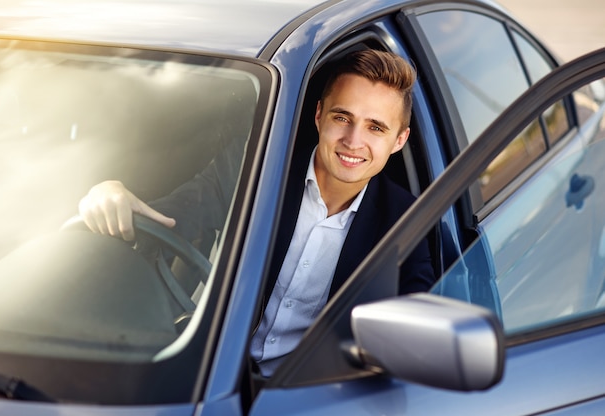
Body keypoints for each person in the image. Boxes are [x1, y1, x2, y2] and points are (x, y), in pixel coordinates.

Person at [78, 49, 436, 377]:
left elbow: (419, 331)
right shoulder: (251, 168)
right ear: (318, 115)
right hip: (209, 377)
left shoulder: (408, 222)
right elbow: (166, 218)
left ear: (399, 140)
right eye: (342, 117)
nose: (353, 140)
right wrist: (109, 196)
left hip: (310, 398)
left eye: (375, 127)